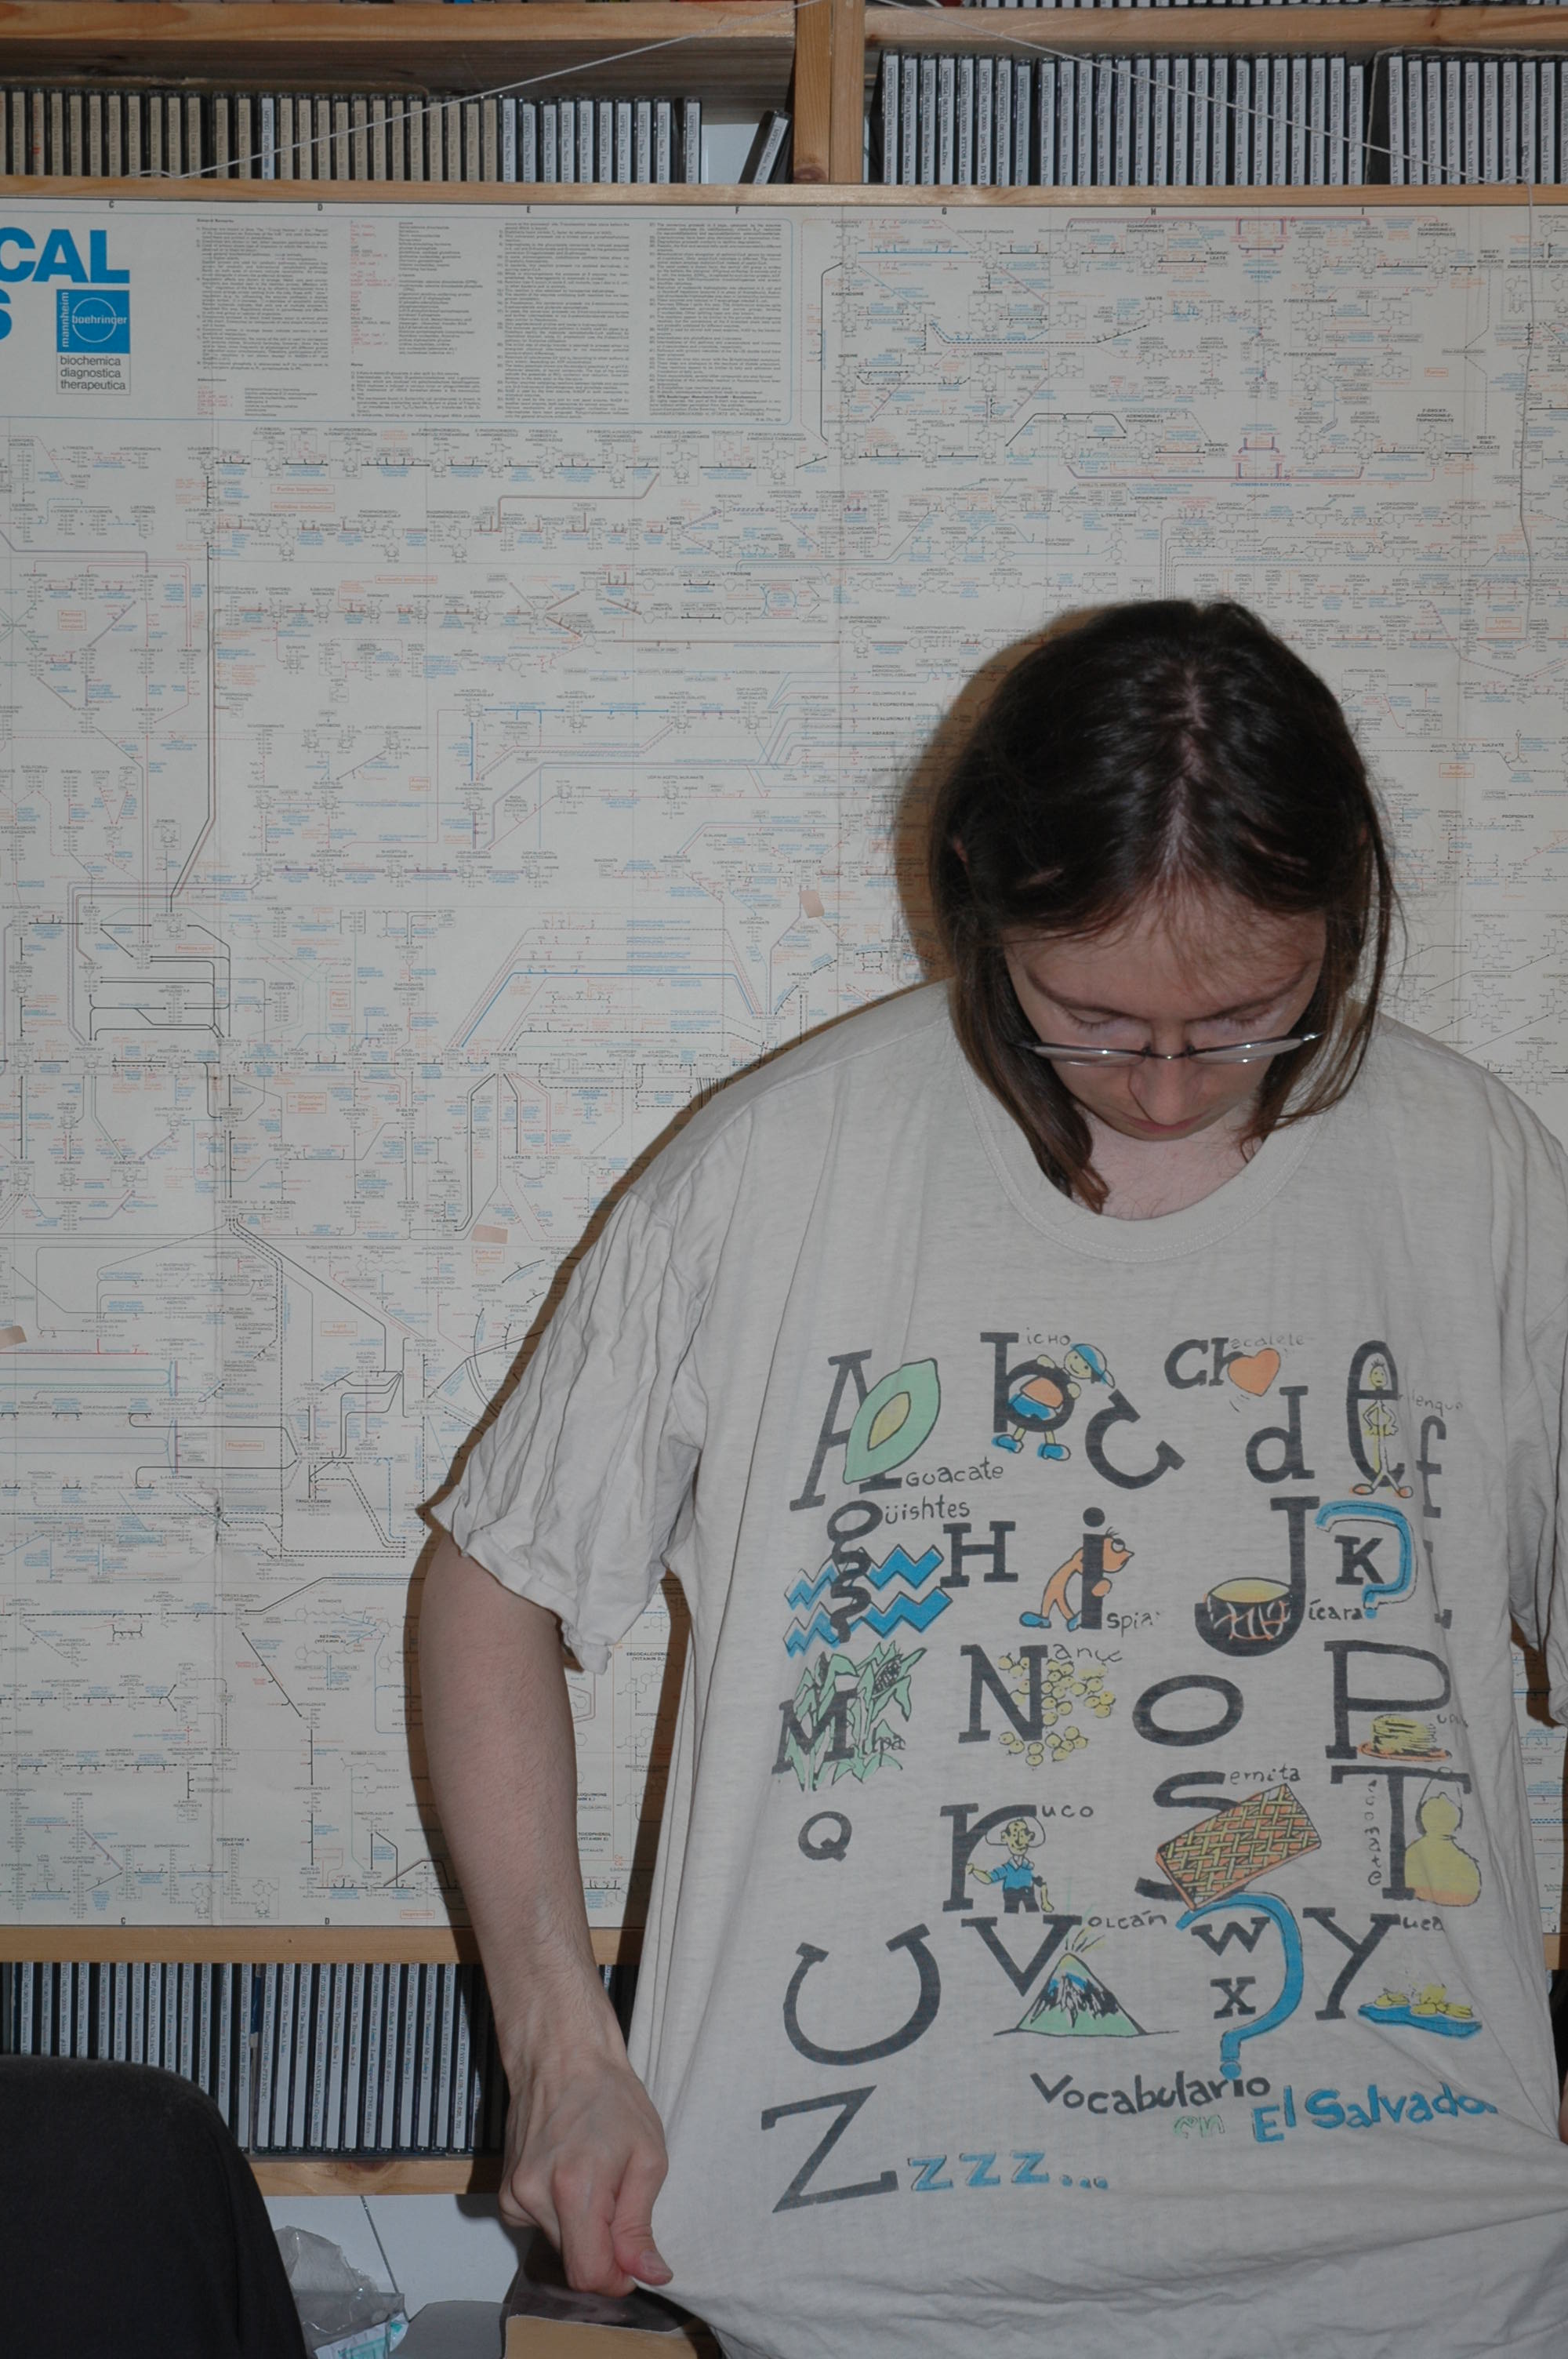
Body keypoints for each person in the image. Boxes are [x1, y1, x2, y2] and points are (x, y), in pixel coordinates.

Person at [419, 600, 1568, 2359]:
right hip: (877, 2270)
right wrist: (561, 2050)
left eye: (1249, 1016)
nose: (1167, 1091)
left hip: (1417, 2262)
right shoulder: (784, 1162)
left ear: (1342, 919)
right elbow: (495, 1582)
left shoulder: (1469, 1166)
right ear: (978, 893)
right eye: (1092, 1019)